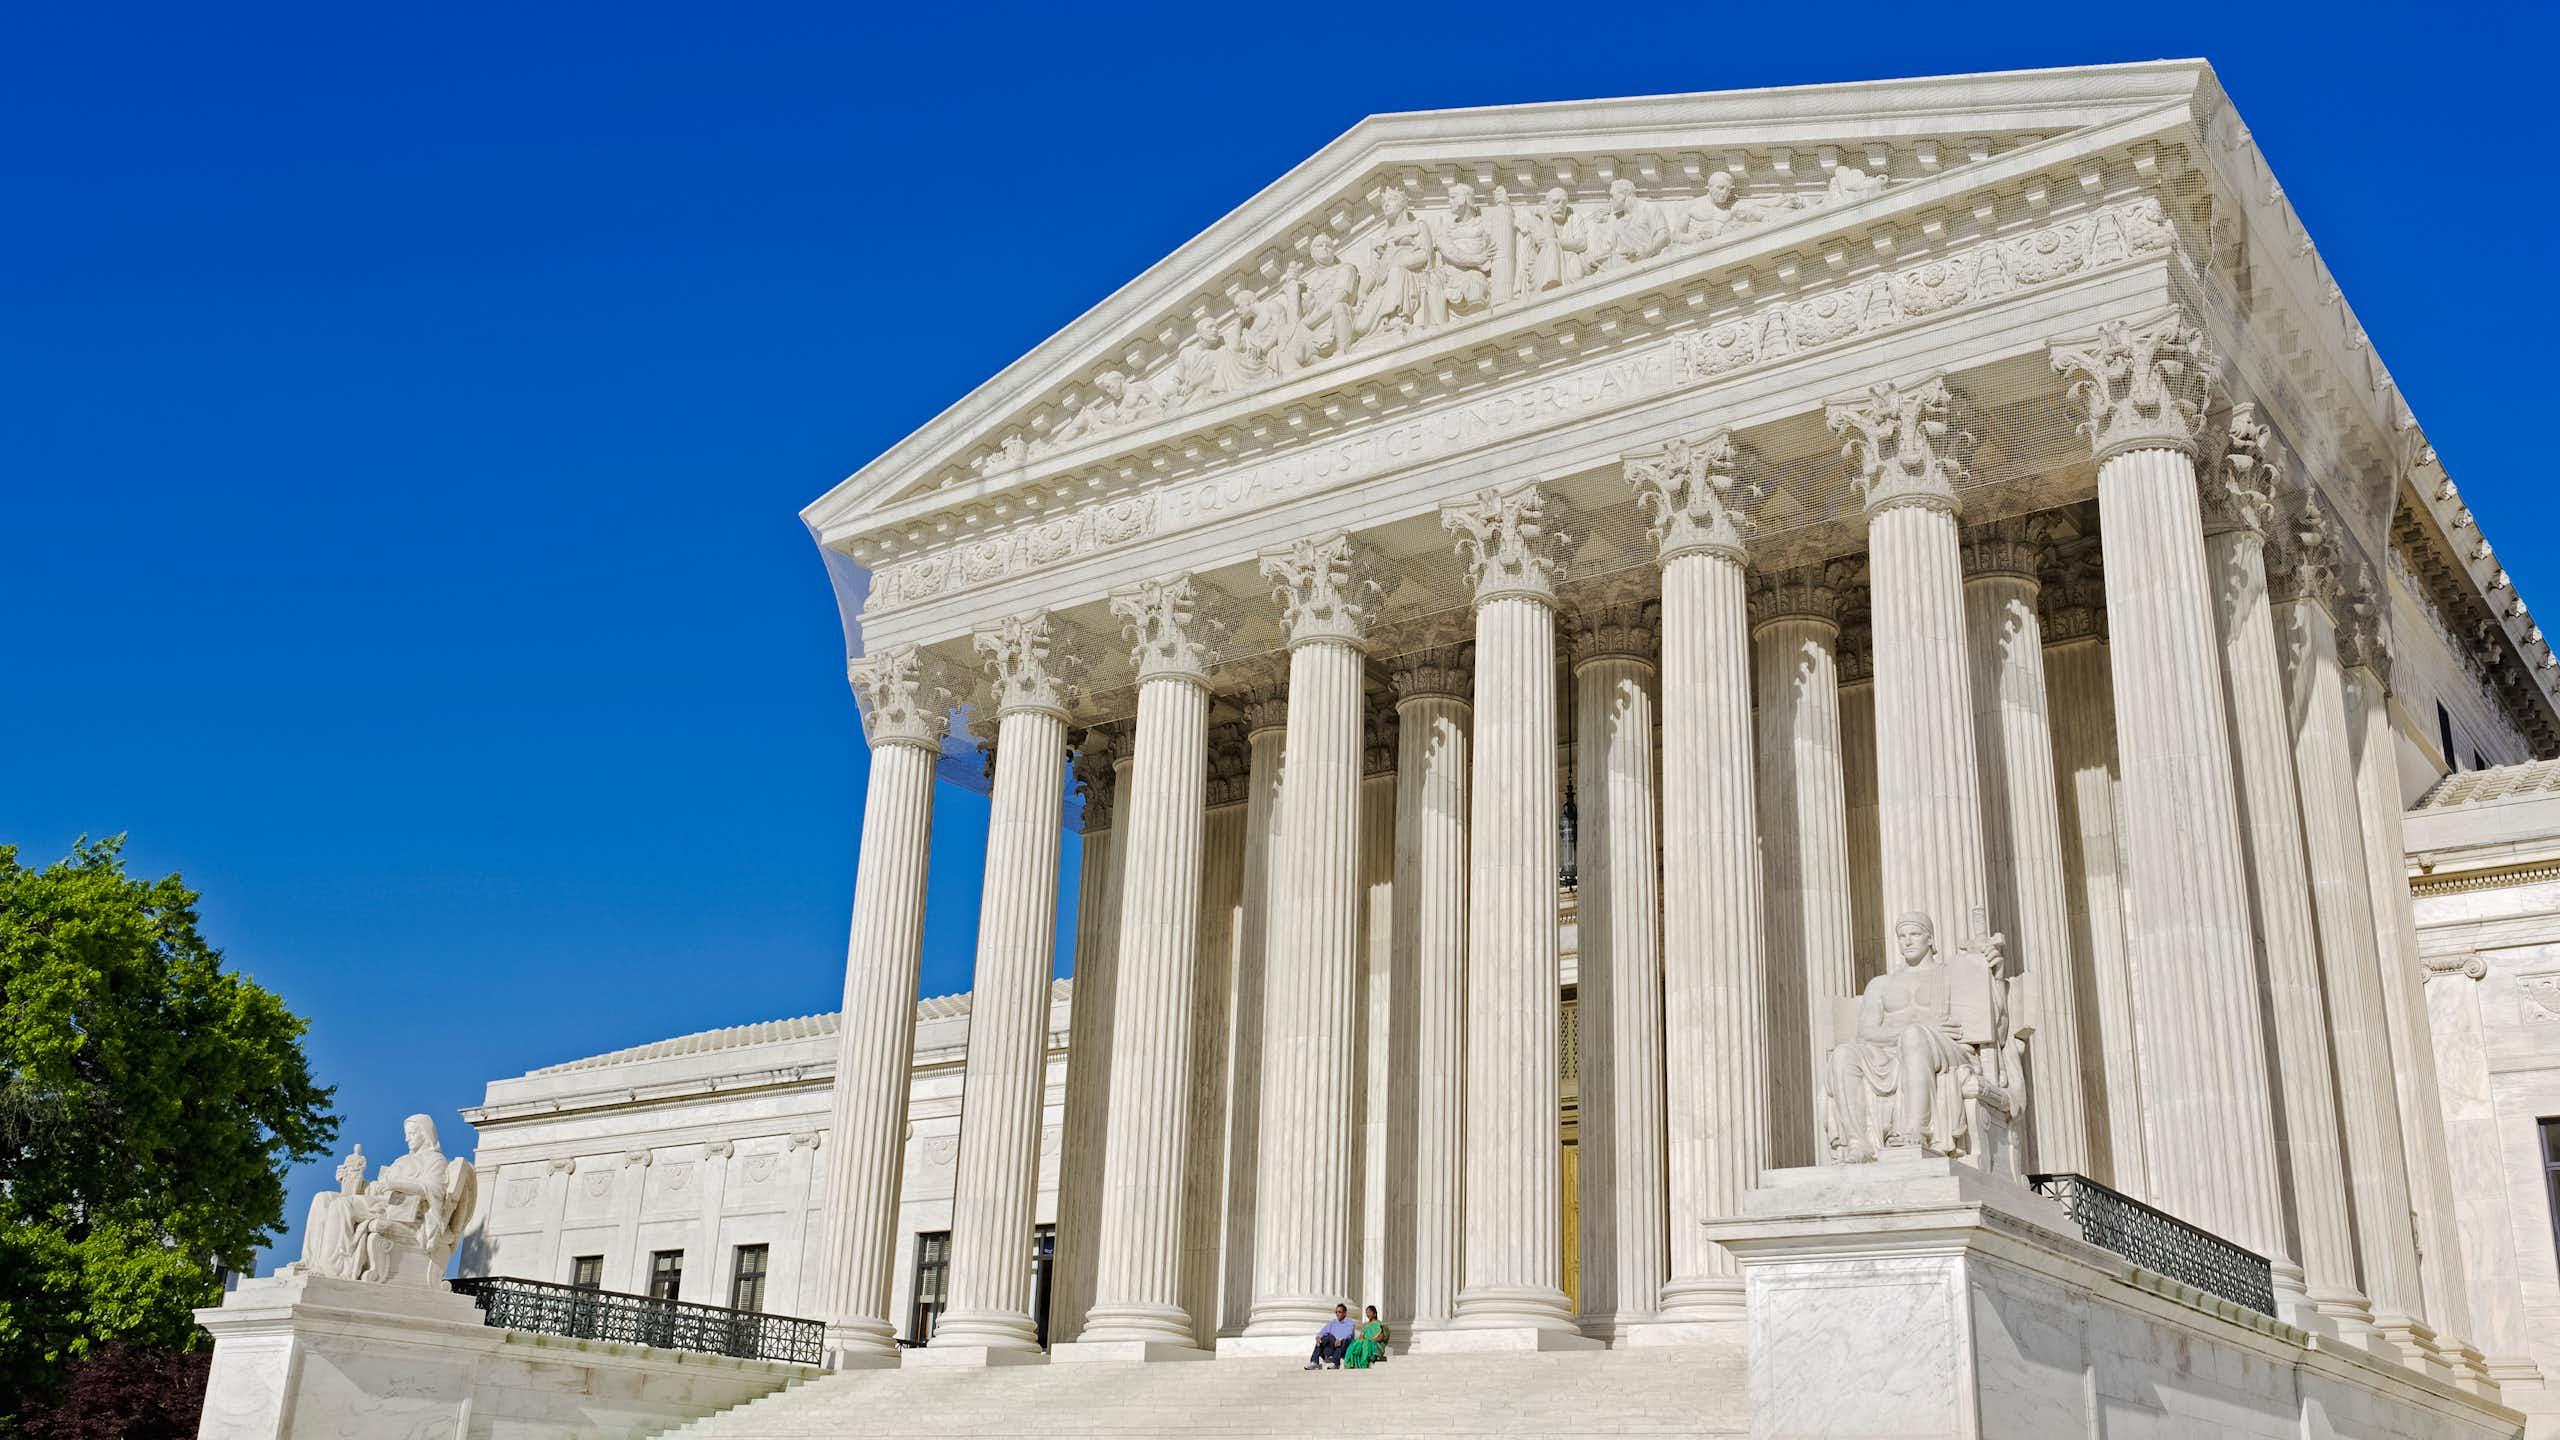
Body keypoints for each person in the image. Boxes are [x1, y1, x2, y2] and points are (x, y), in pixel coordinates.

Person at [1305, 1302, 1356, 1369]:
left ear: (1345, 1313)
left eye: (1340, 1312)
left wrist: (1340, 1339)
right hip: (1332, 1345)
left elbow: (1349, 1333)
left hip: (1344, 1346)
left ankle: (1336, 1363)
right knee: (1324, 1337)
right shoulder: (1333, 1322)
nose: (1337, 1314)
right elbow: (1323, 1331)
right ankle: (1315, 1362)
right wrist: (1318, 1337)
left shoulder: (1349, 1322)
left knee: (1344, 1340)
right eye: (1336, 1312)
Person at [1343, 1304, 1389, 1369]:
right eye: (1366, 1312)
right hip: (1365, 1341)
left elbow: (1381, 1337)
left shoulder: (1380, 1324)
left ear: (1375, 1314)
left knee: (1366, 1344)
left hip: (1375, 1343)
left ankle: (1364, 1363)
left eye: (1369, 1312)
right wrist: (1361, 1340)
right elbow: (1361, 1336)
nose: (1368, 1314)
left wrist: (1371, 1340)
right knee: (1354, 1345)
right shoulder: (1365, 1325)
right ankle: (1352, 1363)